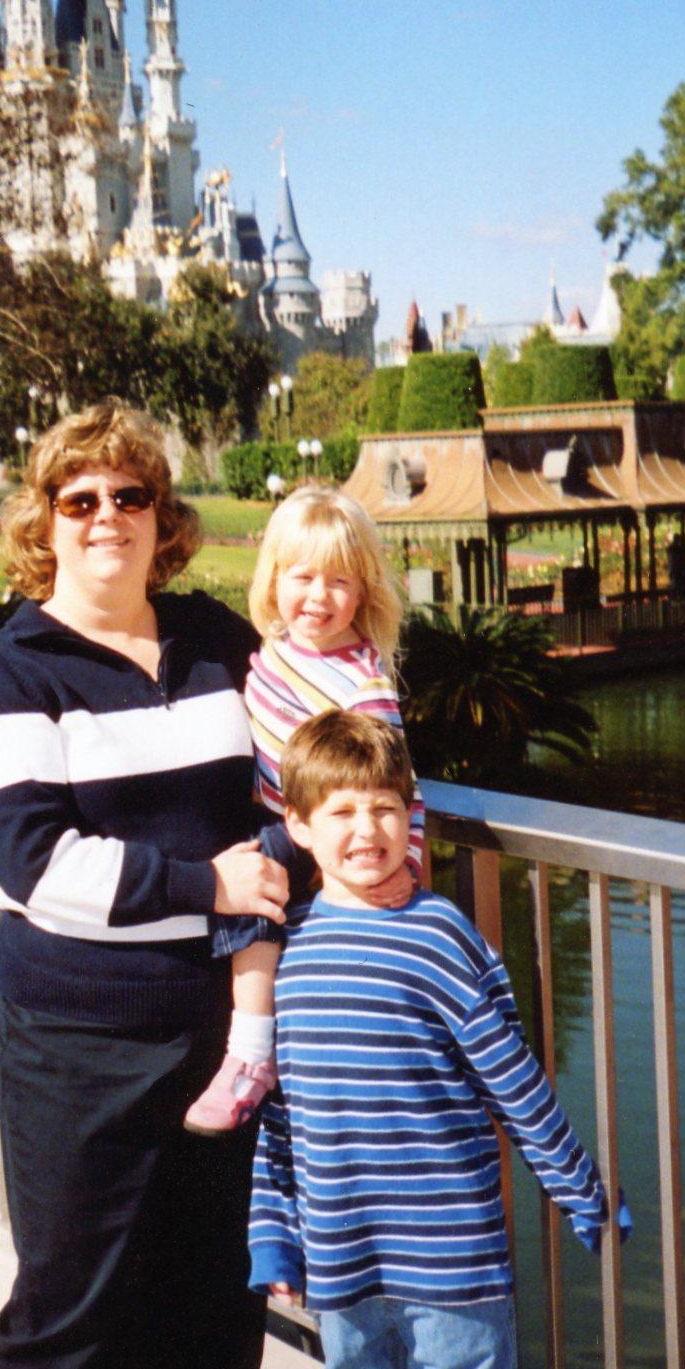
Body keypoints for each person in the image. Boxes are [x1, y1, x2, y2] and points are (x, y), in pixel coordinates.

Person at [0, 398, 304, 1369]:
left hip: (224, 1045)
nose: (108, 515)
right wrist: (211, 884)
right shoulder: (5, 672)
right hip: (81, 1049)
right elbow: (36, 865)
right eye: (81, 498)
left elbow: (299, 793)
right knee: (70, 1320)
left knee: (209, 1323)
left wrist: (275, 863)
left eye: (131, 495)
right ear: (45, 523)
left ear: (163, 517)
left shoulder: (219, 644)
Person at [248, 711, 632, 1369]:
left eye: (386, 808)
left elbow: (513, 1079)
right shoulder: (286, 949)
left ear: (410, 815)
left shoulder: (440, 935)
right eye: (343, 812)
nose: (368, 830)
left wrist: (580, 1187)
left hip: (452, 1252)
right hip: (339, 1251)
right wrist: (272, 1233)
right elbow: (276, 1111)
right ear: (297, 825)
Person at [184, 485, 423, 1135]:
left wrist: (406, 861)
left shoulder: (362, 679)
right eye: (303, 577)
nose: (319, 597)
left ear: (363, 590)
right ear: (274, 580)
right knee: (240, 867)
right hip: (271, 815)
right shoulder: (269, 654)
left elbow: (396, 781)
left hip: (327, 833)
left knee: (255, 879)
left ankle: (250, 1055)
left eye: (339, 581)